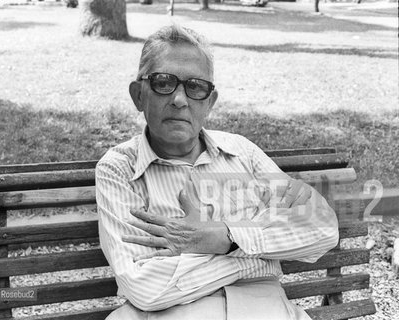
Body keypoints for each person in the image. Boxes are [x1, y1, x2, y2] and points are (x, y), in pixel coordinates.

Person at [95, 24, 339, 320]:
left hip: (265, 310)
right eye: (163, 82)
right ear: (138, 95)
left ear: (209, 102)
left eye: (195, 86)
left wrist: (224, 237)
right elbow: (144, 288)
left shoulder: (243, 152)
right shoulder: (118, 168)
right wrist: (253, 251)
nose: (179, 99)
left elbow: (322, 227)